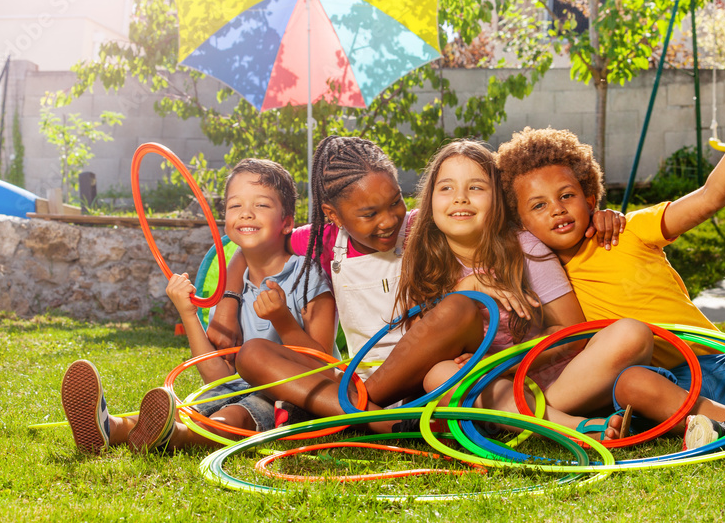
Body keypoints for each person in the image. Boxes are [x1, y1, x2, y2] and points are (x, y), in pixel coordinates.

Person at [495, 77, 725, 453]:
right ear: (520, 222)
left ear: (590, 197)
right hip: (668, 387)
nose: (557, 209)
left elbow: (711, 197)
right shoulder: (544, 281)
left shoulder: (630, 230)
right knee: (630, 382)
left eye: (567, 195)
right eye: (538, 205)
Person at [220, 136, 625, 428]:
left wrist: (597, 213)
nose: (389, 219)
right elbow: (254, 240)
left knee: (459, 308)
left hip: (424, 378)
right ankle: (375, 418)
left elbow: (526, 209)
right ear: (335, 215)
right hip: (359, 379)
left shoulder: (424, 226)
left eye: (395, 200)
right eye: (368, 213)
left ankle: (357, 409)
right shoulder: (324, 239)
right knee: (252, 353)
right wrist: (230, 293)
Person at [60, 158, 335, 454]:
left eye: (262, 206)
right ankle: (111, 427)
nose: (246, 214)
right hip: (237, 388)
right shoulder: (230, 289)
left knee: (236, 414)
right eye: (235, 206)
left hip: (293, 396)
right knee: (192, 405)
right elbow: (217, 378)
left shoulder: (308, 278)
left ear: (288, 223)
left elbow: (324, 370)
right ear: (225, 221)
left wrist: (283, 320)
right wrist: (187, 313)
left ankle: (177, 437)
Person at [406, 141, 653, 431]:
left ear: (497, 198)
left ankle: (521, 419)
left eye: (475, 188)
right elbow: (419, 347)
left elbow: (570, 333)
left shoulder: (525, 247)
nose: (460, 198)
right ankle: (571, 427)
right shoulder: (422, 258)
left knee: (632, 334)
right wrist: (464, 288)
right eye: (446, 188)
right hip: (491, 386)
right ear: (430, 199)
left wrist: (503, 362)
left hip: (559, 380)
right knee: (438, 375)